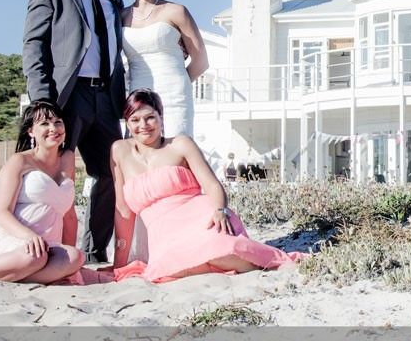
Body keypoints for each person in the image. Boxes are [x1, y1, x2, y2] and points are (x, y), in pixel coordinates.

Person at [111, 89, 304, 282]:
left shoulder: (180, 144)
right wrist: (119, 264)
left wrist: (220, 210)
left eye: (150, 118)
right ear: (127, 122)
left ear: (161, 118)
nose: (143, 125)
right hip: (165, 234)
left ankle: (261, 265)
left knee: (222, 253)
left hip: (202, 218)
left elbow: (212, 185)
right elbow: (123, 211)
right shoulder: (120, 151)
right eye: (135, 120)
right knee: (171, 269)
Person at [23, 0, 126, 264]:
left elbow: (117, 50)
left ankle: (95, 253)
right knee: (55, 176)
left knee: (110, 174)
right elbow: (33, 46)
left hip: (106, 99)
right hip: (66, 98)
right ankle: (46, 250)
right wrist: (42, 102)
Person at [0, 101, 84, 284]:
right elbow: (2, 213)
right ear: (31, 131)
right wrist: (28, 236)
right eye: (44, 123)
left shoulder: (67, 158)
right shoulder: (20, 161)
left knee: (75, 257)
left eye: (58, 122)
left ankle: (18, 277)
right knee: (35, 257)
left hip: (45, 243)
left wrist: (71, 268)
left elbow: (69, 214)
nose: (53, 128)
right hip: (9, 236)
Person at [120, 0, 208, 138]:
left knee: (175, 151)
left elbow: (201, 61)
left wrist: (178, 84)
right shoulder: (120, 17)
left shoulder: (176, 11)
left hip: (174, 96)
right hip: (138, 97)